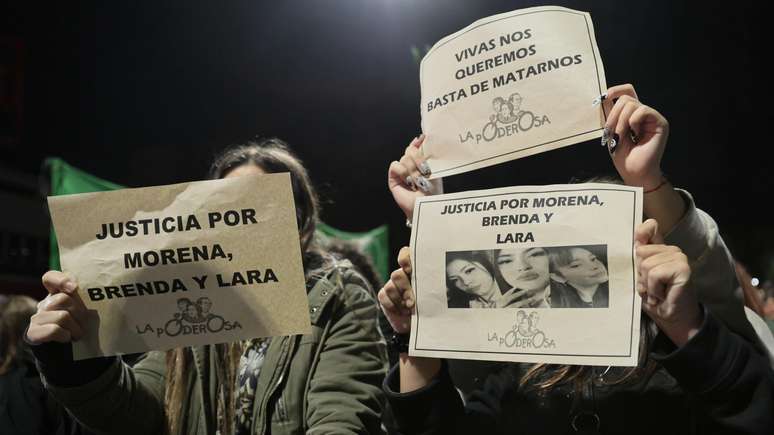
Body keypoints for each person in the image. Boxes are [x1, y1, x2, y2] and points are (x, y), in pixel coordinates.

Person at [381, 84, 772, 432]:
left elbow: (753, 411)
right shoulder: (521, 377)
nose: (592, 262)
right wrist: (413, 333)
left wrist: (686, 325)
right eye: (568, 255)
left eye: (601, 243)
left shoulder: (682, 365)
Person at [25, 138, 388, 435]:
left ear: (299, 222)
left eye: (256, 204)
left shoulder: (336, 295)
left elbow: (342, 420)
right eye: (223, 207)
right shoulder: (194, 304)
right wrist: (75, 359)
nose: (238, 218)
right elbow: (136, 414)